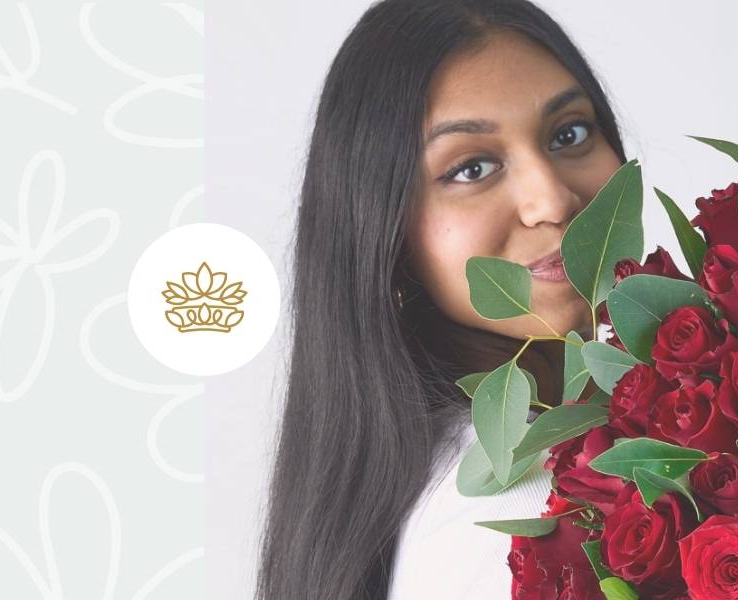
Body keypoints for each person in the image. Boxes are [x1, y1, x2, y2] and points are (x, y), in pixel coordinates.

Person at [255, 0, 629, 598]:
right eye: (471, 167)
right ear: (387, 241)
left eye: (569, 133)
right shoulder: (524, 515)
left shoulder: (430, 472)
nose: (552, 202)